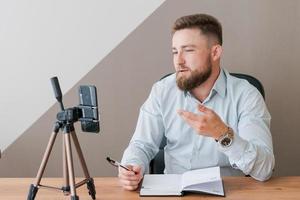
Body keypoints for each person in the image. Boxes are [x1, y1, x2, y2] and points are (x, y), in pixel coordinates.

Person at [119, 14, 275, 190]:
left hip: (230, 192)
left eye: (188, 50)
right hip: (173, 191)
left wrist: (223, 134)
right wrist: (131, 167)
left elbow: (264, 170)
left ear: (215, 52)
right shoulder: (162, 90)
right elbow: (141, 144)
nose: (179, 61)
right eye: (175, 51)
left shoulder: (247, 95)